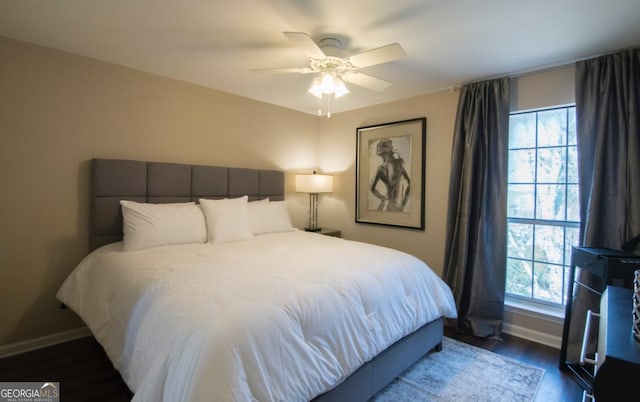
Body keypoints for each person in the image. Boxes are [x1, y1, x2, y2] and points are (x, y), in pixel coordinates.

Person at [369, 138, 411, 212]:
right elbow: (409, 184)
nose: (392, 147)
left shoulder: (381, 168)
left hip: (387, 204)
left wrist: (383, 198)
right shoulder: (399, 163)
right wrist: (403, 203)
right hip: (396, 205)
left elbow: (371, 188)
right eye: (390, 146)